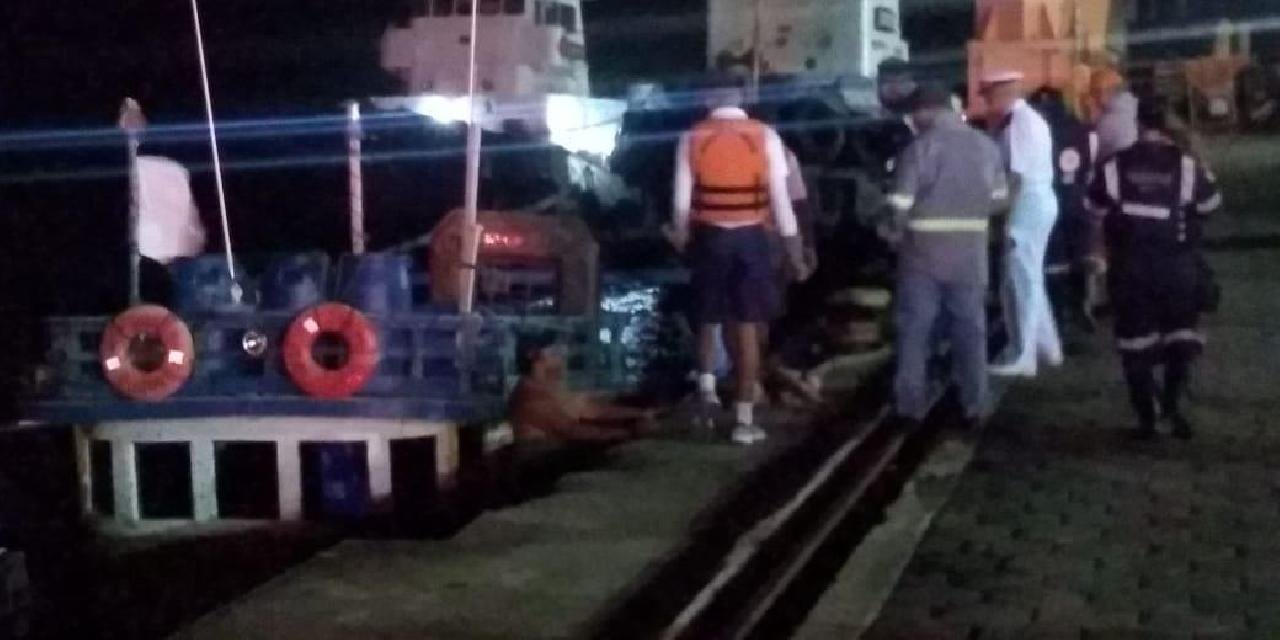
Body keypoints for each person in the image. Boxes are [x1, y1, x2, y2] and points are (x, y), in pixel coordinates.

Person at [669, 79, 809, 445]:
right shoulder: (764, 136)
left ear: (705, 97)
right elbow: (781, 200)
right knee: (748, 324)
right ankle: (745, 418)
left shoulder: (693, 137)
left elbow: (681, 201)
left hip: (709, 238)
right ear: (743, 99)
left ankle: (707, 394)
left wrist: (682, 234)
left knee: (707, 318)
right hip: (751, 240)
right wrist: (794, 250)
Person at [1086, 98, 1222, 440]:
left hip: (1130, 269)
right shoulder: (1188, 166)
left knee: (1135, 344)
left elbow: (1094, 206)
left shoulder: (1115, 166)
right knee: (1180, 338)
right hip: (1178, 267)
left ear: (1139, 125)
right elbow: (1210, 205)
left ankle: (1147, 418)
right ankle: (1173, 407)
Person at [886, 83, 1009, 431]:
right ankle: (975, 404)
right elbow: (1000, 200)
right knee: (970, 329)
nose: (912, 119)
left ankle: (909, 406)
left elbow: (899, 207)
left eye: (914, 112)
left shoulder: (920, 148)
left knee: (915, 330)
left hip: (922, 255)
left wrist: (892, 231)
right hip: (970, 254)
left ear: (928, 111)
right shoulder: (986, 146)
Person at [982, 71, 1064, 378]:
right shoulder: (1026, 120)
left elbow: (1015, 177)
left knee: (1020, 282)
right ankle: (1047, 346)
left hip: (1026, 206)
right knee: (1030, 277)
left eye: (989, 93)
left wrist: (1002, 215)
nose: (986, 100)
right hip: (1037, 202)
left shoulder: (1019, 124)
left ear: (1005, 92)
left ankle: (1022, 355)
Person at [1027, 87, 1103, 329]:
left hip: (1048, 202)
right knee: (1082, 256)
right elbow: (1091, 167)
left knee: (1054, 262)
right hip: (1078, 200)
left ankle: (1057, 315)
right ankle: (1081, 304)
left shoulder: (1034, 133)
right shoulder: (1087, 130)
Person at [508, 332, 657, 444]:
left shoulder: (547, 388)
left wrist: (640, 414)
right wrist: (629, 434)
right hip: (544, 470)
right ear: (533, 355)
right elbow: (570, 430)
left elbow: (590, 410)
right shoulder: (530, 396)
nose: (563, 354)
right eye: (555, 350)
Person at [1090, 67, 1139, 162]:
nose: (1092, 97)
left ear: (1108, 91)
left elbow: (1090, 156)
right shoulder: (1129, 109)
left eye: (1094, 91)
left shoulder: (1107, 123)